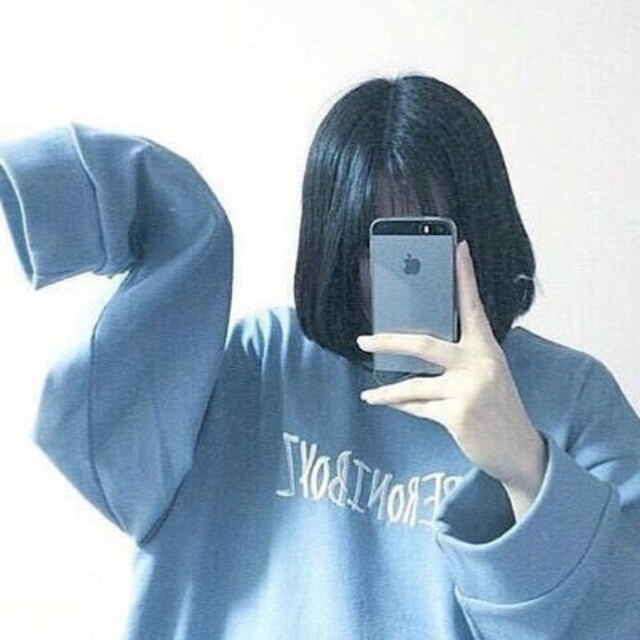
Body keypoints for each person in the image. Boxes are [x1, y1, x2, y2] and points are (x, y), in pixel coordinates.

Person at [0, 74, 638, 639]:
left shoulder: (573, 395)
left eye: (427, 234)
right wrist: (160, 210)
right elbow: (100, 440)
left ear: (483, 230)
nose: (395, 270)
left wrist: (525, 466)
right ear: (331, 235)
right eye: (371, 237)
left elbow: (622, 616)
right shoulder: (260, 361)